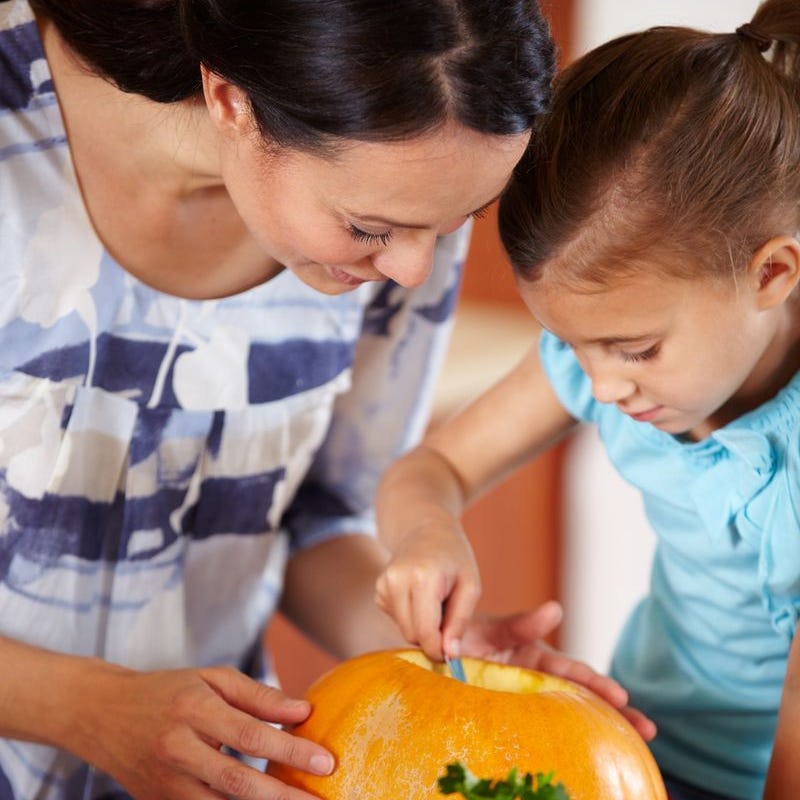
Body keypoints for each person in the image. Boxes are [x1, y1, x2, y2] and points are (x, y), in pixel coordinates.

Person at [0, 1, 640, 799]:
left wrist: (435, 659)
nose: (413, 269)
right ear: (231, 100)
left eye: (451, 226)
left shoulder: (410, 204)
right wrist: (88, 711)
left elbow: (314, 516)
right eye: (367, 226)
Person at [374, 1, 800, 799]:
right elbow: (429, 468)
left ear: (771, 274)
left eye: (635, 349)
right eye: (572, 345)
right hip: (640, 755)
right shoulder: (614, 371)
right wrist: (428, 535)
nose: (601, 386)